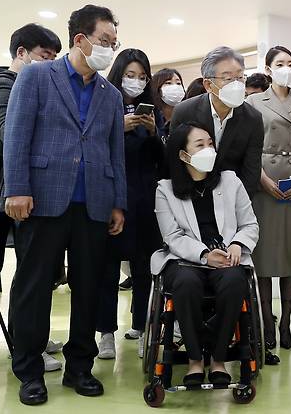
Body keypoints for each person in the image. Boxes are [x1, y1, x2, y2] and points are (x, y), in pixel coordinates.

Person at [3, 4, 126, 405]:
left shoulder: (110, 94)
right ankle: (29, 372)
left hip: (93, 204)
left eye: (113, 42)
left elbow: (114, 152)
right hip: (41, 200)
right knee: (34, 288)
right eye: (105, 41)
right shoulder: (39, 76)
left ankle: (79, 368)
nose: (109, 48)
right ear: (81, 39)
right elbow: (17, 136)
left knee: (88, 288)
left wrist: (117, 203)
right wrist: (16, 189)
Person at [151, 122, 259, 385]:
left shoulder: (230, 181)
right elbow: (172, 236)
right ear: (183, 155)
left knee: (235, 283)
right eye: (200, 145)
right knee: (186, 284)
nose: (209, 149)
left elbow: (250, 224)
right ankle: (195, 361)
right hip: (186, 259)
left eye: (210, 143)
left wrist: (237, 245)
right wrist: (203, 254)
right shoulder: (165, 190)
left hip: (227, 256)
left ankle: (219, 360)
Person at [0, 23, 64, 373]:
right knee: (31, 275)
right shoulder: (3, 87)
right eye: (45, 57)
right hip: (20, 192)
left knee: (40, 273)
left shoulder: (30, 85)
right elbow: (8, 135)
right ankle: (24, 345)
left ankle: (34, 336)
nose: (50, 64)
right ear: (22, 53)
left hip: (41, 192)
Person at [246, 46, 291, 350]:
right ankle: (267, 324)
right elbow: (248, 146)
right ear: (268, 68)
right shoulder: (252, 102)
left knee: (289, 255)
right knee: (262, 256)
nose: (286, 68)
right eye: (280, 64)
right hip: (263, 182)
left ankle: (286, 323)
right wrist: (261, 178)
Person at [96, 48, 164, 360]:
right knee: (107, 268)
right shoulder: (103, 102)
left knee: (143, 268)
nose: (135, 82)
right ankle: (106, 332)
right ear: (118, 75)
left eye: (142, 77)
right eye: (130, 76)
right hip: (111, 198)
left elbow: (163, 163)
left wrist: (153, 134)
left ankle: (141, 327)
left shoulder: (153, 112)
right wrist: (117, 129)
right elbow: (93, 148)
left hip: (145, 199)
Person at [171, 47, 264, 198]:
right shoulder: (185, 111)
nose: (236, 84)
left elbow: (251, 171)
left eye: (240, 77)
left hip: (231, 197)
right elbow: (175, 161)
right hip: (190, 193)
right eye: (228, 79)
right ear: (208, 85)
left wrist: (240, 206)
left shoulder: (253, 118)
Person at [152, 68, 185, 140]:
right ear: (157, 88)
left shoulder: (188, 116)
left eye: (178, 83)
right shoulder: (154, 117)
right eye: (168, 83)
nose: (175, 87)